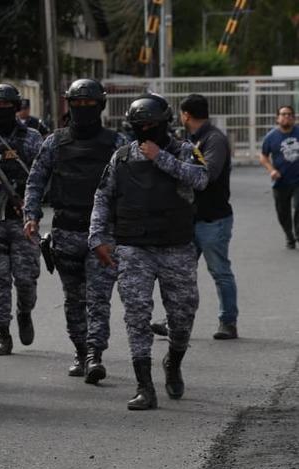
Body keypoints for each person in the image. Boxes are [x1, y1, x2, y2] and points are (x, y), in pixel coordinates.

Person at [89, 93, 207, 411]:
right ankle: (144, 386)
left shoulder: (184, 150)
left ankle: (173, 362)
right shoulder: (122, 157)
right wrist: (97, 237)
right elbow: (103, 197)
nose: (145, 130)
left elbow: (201, 179)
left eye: (151, 125)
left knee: (182, 316)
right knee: (136, 316)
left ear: (165, 123)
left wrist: (161, 158)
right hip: (134, 247)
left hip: (175, 246)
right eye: (139, 126)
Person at [22, 78, 123, 382]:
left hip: (102, 234)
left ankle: (94, 355)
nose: (83, 109)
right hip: (65, 232)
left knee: (98, 300)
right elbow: (36, 180)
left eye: (89, 104)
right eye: (77, 104)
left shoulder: (116, 143)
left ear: (101, 105)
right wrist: (31, 215)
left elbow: (131, 184)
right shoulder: (55, 142)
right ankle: (80, 351)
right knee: (74, 299)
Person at [0, 83, 43, 358]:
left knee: (26, 279)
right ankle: (3, 333)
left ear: (16, 107)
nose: (2, 110)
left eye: (7, 106)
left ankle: (24, 312)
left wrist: (31, 203)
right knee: (0, 281)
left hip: (23, 220)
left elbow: (43, 175)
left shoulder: (32, 138)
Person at [180, 94, 238, 340]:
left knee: (220, 271)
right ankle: (177, 321)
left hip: (213, 219)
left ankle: (228, 322)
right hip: (190, 218)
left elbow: (208, 175)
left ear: (186, 115)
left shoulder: (214, 139)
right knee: (181, 273)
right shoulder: (190, 138)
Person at [259, 105, 299, 248]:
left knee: (298, 206)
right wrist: (272, 170)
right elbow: (263, 156)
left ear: (294, 118)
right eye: (283, 114)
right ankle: (289, 236)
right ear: (277, 118)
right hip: (281, 180)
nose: (286, 116)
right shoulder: (271, 137)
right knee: (283, 212)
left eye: (289, 114)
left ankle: (298, 233)